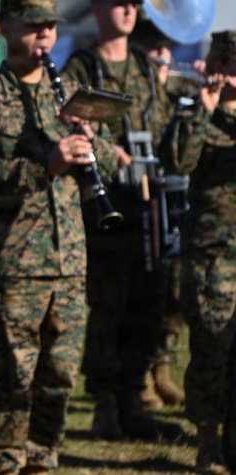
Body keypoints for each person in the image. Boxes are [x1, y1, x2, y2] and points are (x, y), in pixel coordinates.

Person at [0, 0, 117, 475]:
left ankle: (42, 461)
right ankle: (3, 464)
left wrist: (91, 142)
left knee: (59, 380)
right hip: (11, 266)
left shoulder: (68, 91)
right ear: (7, 28)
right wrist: (45, 165)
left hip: (68, 263)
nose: (45, 35)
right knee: (9, 379)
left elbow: (110, 164)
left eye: (50, 26)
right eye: (34, 26)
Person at [61, 0, 182, 441]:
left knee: (147, 304)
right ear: (98, 9)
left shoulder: (145, 68)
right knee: (108, 307)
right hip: (106, 210)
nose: (130, 11)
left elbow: (165, 124)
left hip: (147, 204)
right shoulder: (82, 68)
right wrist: (109, 150)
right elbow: (70, 125)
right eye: (119, 3)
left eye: (133, 4)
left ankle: (133, 398)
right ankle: (106, 403)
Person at [160, 30, 236, 475]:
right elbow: (178, 162)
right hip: (214, 255)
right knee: (211, 351)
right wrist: (203, 110)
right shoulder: (196, 112)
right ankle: (208, 444)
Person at [128, 17, 187, 409]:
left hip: (173, 203)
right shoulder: (134, 91)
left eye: (167, 49)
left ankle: (162, 369)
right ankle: (139, 378)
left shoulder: (174, 91)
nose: (163, 56)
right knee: (142, 294)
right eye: (155, 49)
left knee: (174, 293)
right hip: (137, 201)